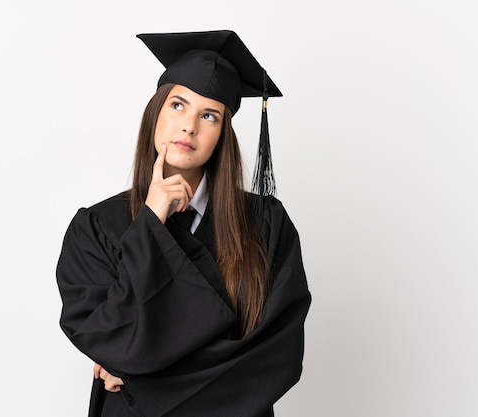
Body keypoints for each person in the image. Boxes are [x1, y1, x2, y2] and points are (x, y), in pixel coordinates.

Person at [56, 30, 311, 417]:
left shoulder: (265, 223)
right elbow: (104, 335)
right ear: (155, 113)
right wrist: (150, 223)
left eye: (209, 115)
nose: (189, 126)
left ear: (222, 133)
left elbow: (274, 358)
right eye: (178, 105)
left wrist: (138, 373)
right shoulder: (96, 228)